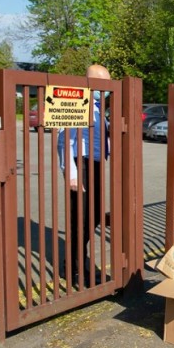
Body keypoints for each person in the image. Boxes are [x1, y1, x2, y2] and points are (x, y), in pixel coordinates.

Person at [57, 64, 111, 287]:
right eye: (104, 83)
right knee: (80, 218)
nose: (107, 87)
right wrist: (71, 174)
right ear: (91, 81)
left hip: (95, 164)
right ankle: (74, 271)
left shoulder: (99, 106)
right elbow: (64, 142)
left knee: (94, 214)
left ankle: (74, 263)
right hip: (81, 164)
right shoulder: (76, 103)